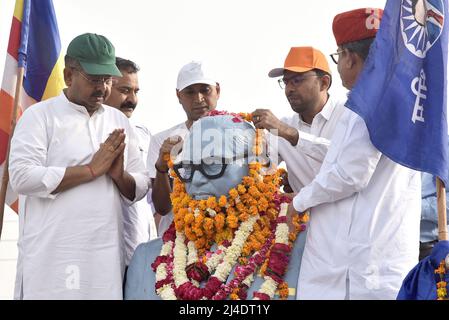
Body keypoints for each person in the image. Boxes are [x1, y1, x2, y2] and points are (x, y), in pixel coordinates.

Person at [289, 8, 422, 300]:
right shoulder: (399, 97)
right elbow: (343, 157)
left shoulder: (369, 103)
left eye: (338, 57)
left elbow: (350, 174)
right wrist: (298, 138)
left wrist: (298, 202)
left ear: (349, 56)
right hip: (375, 267)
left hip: (357, 275)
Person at [8, 33, 150, 299]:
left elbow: (140, 186)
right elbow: (22, 177)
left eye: (108, 80)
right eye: (94, 80)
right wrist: (90, 170)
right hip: (52, 262)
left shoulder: (118, 121)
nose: (103, 88)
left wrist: (119, 176)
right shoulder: (40, 117)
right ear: (69, 75)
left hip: (104, 262)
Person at [125, 113, 307, 300]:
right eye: (188, 168)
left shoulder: (304, 244)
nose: (196, 181)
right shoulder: (147, 258)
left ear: (257, 164)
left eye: (213, 165)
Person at [252, 46, 346, 195]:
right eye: (286, 82)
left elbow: (345, 157)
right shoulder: (280, 129)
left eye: (297, 80)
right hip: (305, 219)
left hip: (352, 218)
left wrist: (289, 133)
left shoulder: (348, 115)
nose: (289, 89)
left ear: (324, 83)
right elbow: (259, 171)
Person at [147, 61, 220, 237]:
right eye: (190, 92)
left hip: (228, 238)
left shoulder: (239, 133)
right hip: (178, 243)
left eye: (205, 90)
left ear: (218, 90)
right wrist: (162, 167)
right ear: (178, 95)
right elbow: (162, 208)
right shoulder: (161, 141)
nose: (199, 98)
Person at [105, 57, 158, 266]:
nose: (132, 99)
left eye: (136, 91)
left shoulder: (144, 134)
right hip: (104, 251)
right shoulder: (87, 132)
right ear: (106, 86)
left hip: (142, 251)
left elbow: (154, 198)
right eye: (125, 90)